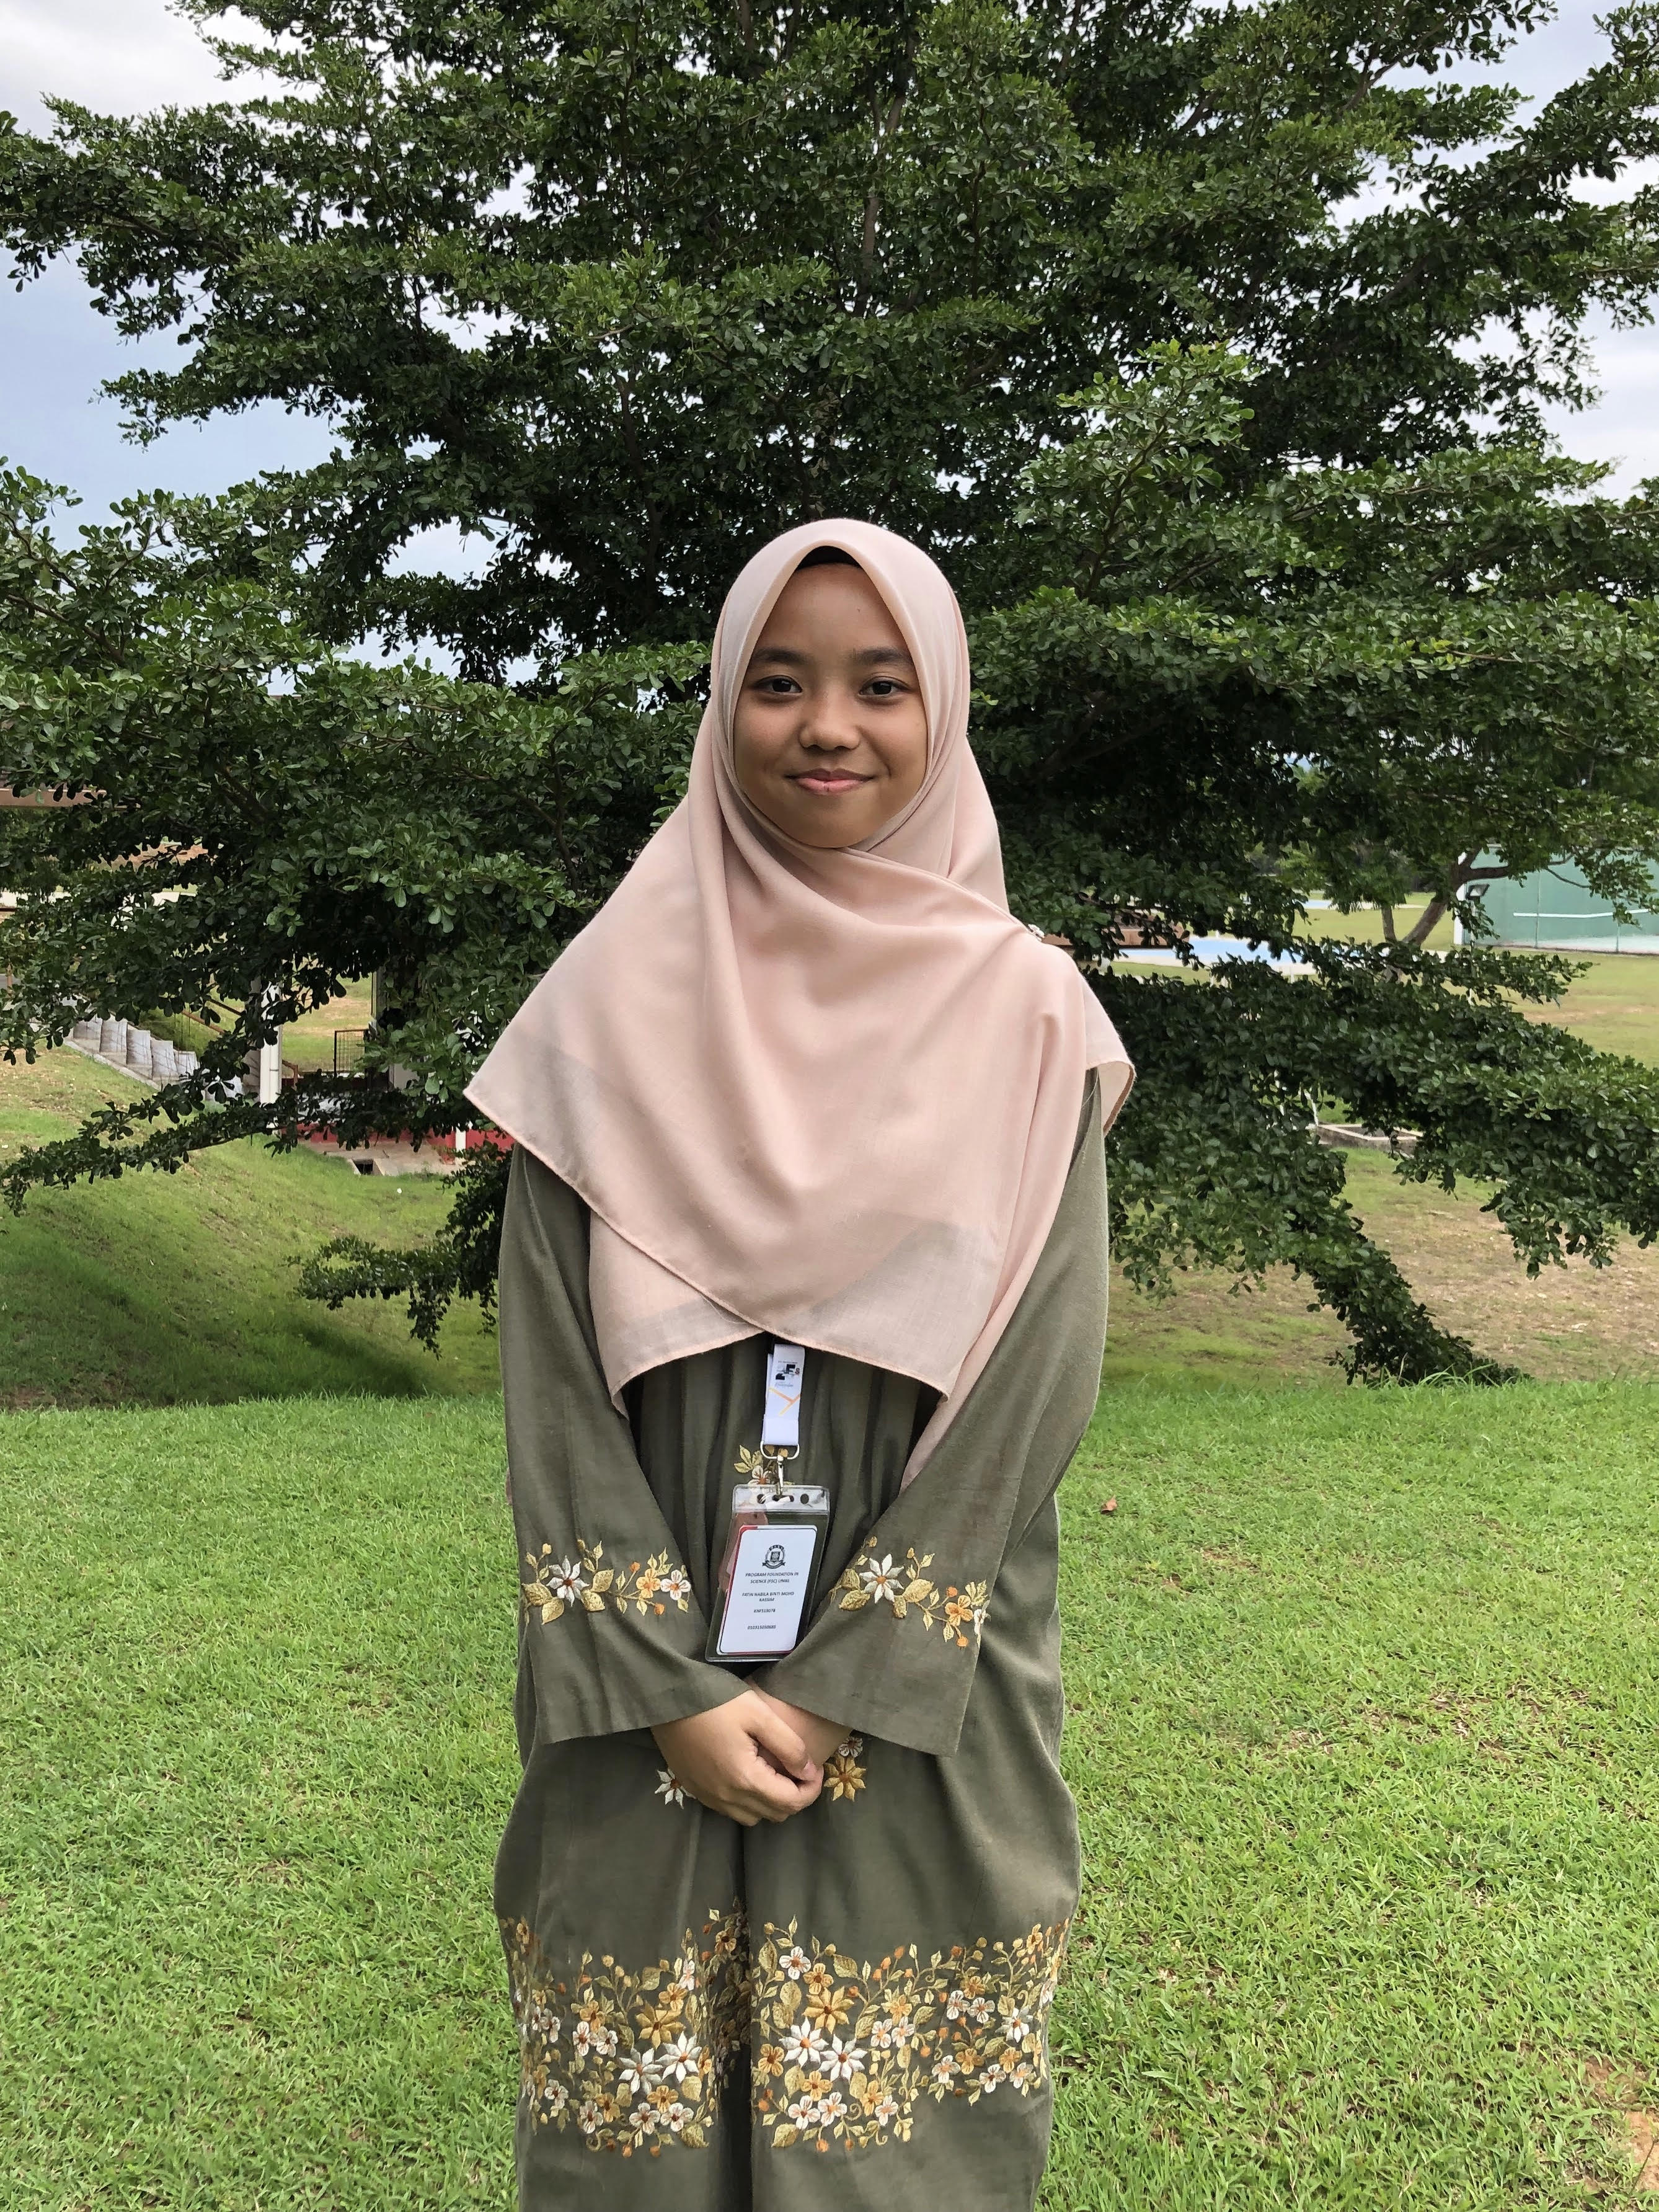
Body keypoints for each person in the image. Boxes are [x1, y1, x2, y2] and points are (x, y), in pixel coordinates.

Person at [466, 519, 1134, 2210]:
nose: (826, 726)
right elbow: (550, 1369)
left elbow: (1038, 1373)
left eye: (878, 685)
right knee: (637, 2133)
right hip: (649, 1666)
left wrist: (849, 1677)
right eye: (778, 682)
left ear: (941, 711)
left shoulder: (1028, 1017)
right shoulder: (607, 1000)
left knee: (892, 2146)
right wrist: (667, 1684)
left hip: (925, 1671)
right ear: (722, 706)